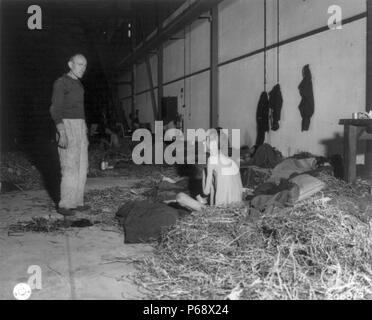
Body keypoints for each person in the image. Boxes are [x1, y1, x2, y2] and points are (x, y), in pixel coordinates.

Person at [50, 54, 89, 216]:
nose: (83, 68)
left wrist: (84, 128)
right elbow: (55, 109)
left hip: (80, 126)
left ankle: (77, 202)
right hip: (67, 125)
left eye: (85, 65)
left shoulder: (78, 84)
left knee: (82, 166)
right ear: (70, 64)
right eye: (79, 64)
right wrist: (62, 132)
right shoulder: (61, 83)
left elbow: (79, 109)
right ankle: (65, 204)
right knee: (70, 167)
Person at [175, 128, 243, 210]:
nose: (203, 143)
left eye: (205, 140)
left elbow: (206, 191)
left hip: (220, 212)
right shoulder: (232, 161)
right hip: (238, 209)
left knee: (180, 197)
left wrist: (199, 196)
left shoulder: (211, 160)